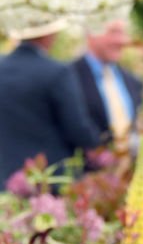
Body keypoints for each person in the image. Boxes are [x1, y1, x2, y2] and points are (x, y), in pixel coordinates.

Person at [0, 18, 101, 185]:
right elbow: (78, 130)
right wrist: (99, 144)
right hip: (51, 181)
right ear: (48, 35)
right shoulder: (57, 72)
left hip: (6, 179)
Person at [71, 18, 143, 148]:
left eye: (123, 33)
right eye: (113, 32)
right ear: (91, 34)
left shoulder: (134, 82)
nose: (122, 40)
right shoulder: (69, 78)